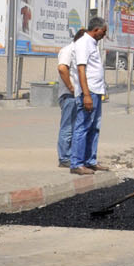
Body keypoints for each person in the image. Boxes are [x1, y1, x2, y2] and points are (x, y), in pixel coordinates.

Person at [69, 17, 109, 175]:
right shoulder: (83, 43)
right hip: (89, 92)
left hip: (96, 91)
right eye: (103, 32)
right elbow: (81, 70)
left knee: (94, 127)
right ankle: (77, 163)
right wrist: (86, 95)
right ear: (96, 29)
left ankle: (90, 161)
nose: (104, 35)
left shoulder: (93, 43)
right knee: (83, 127)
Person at [54, 29, 86, 168]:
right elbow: (62, 68)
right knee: (68, 127)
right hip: (69, 96)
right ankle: (64, 158)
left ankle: (73, 155)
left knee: (75, 127)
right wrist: (71, 88)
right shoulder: (68, 50)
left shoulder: (79, 52)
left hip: (77, 95)